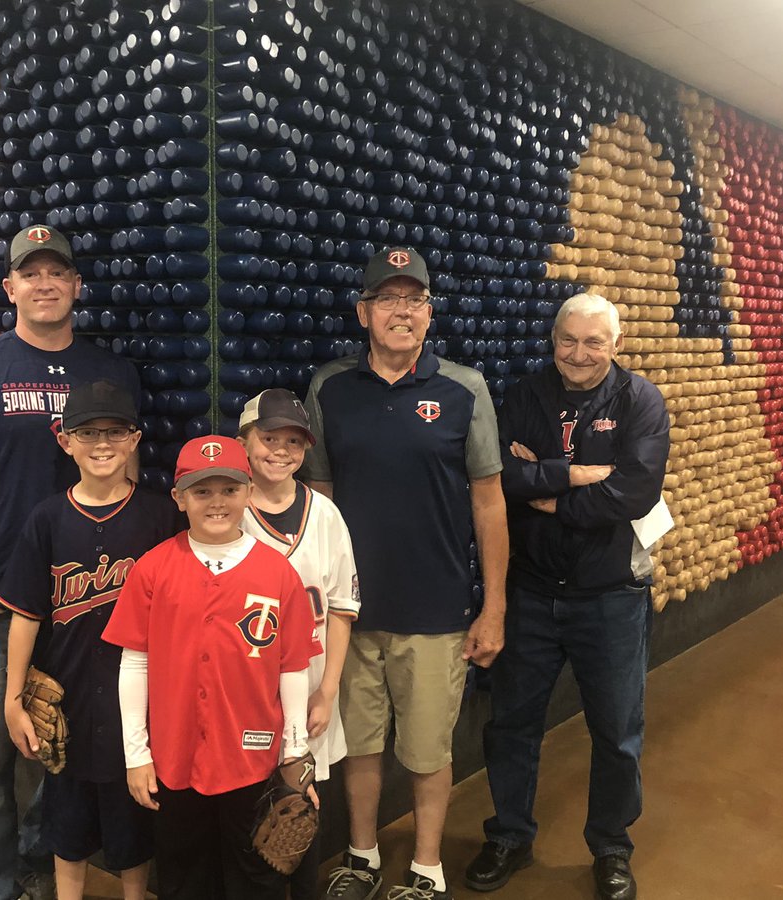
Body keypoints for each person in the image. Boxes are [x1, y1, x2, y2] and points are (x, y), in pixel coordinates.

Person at [0, 225, 140, 900]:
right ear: (10, 287)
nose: (45, 284)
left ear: (76, 286)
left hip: (86, 604)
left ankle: (42, 877)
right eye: (30, 273)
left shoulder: (112, 373)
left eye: (57, 273)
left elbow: (130, 482)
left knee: (62, 763)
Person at [303, 247, 510, 900]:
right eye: (388, 299)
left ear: (429, 313)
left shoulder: (463, 388)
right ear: (364, 312)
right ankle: (361, 857)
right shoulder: (330, 388)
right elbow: (319, 499)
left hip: (436, 610)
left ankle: (426, 870)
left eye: (415, 300)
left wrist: (493, 607)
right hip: (351, 614)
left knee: (426, 752)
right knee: (360, 749)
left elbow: (490, 502)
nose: (403, 311)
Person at [463, 293, 670, 900]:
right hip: (531, 592)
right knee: (513, 724)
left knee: (616, 730)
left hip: (610, 597)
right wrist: (576, 474)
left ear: (617, 344)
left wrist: (546, 486)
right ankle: (509, 835)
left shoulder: (640, 402)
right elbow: (502, 475)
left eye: (593, 342)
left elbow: (635, 493)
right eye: (567, 340)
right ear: (553, 339)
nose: (578, 355)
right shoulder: (526, 395)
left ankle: (610, 846)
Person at [102, 435, 323, 900]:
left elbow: (292, 668)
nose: (216, 502)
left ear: (247, 491)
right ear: (179, 498)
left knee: (256, 877)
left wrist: (296, 754)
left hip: (254, 759)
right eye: (202, 491)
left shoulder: (278, 573)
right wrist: (136, 753)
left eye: (229, 489)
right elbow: (134, 662)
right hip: (174, 758)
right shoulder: (153, 568)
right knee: (184, 876)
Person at [0, 380, 177, 900]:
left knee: (132, 827)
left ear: (134, 439)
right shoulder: (47, 518)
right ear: (64, 440)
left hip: (138, 702)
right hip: (69, 695)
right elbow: (28, 614)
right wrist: (13, 699)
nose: (102, 444)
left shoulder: (160, 516)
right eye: (87, 432)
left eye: (114, 432)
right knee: (67, 826)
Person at [236, 388, 361, 900]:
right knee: (249, 824)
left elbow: (341, 609)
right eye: (268, 438)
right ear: (244, 440)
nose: (280, 450)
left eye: (293, 440)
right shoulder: (226, 507)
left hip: (307, 692)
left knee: (302, 818)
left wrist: (328, 691)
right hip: (243, 694)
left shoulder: (326, 514)